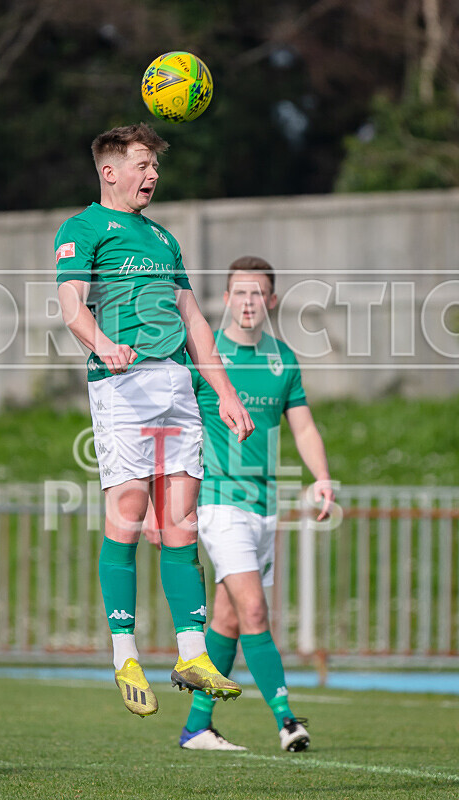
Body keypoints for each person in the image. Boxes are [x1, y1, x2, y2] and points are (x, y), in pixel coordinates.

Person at [55, 124, 254, 718]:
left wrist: (225, 391)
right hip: (122, 386)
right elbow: (70, 304)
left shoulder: (165, 237)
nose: (153, 175)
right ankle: (125, 654)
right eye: (143, 165)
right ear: (109, 170)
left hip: (176, 387)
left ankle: (191, 654)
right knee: (128, 514)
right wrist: (103, 341)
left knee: (181, 523)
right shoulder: (84, 227)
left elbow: (194, 320)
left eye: (156, 166)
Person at [144, 256, 334, 752]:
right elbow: (166, 424)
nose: (249, 302)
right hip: (219, 504)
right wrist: (151, 501)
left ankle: (197, 727)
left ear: (270, 302)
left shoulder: (283, 360)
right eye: (239, 293)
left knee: (228, 620)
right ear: (226, 300)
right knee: (255, 611)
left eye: (258, 294)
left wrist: (323, 478)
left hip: (265, 507)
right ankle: (287, 719)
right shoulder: (205, 356)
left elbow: (305, 425)